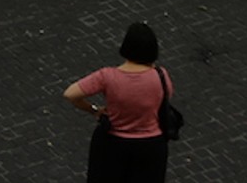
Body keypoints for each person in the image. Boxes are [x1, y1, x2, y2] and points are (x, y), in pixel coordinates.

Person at [62, 22, 174, 182]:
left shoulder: (107, 76)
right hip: (151, 147)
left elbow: (70, 94)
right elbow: (166, 96)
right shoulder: (161, 76)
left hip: (112, 145)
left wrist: (94, 109)